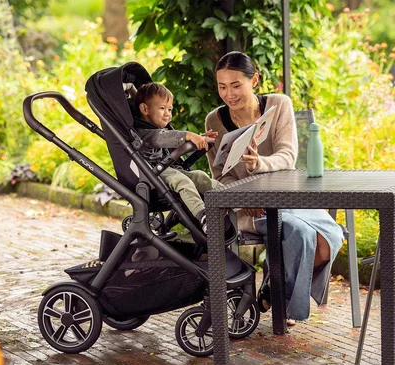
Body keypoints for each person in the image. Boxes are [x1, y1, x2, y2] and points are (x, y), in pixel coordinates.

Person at [205, 51, 345, 323]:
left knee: (330, 239)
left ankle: (272, 287)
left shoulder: (279, 105)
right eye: (222, 87)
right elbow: (221, 176)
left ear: (254, 80)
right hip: (252, 209)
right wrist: (246, 198)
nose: (229, 94)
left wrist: (260, 163)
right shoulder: (215, 120)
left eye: (236, 85)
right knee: (301, 233)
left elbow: (287, 156)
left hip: (289, 197)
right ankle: (284, 304)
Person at [134, 82, 223, 233]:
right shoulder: (145, 133)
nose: (167, 114)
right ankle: (203, 216)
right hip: (152, 176)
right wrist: (189, 135)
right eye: (162, 108)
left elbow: (173, 143)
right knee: (182, 181)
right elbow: (165, 137)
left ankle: (230, 196)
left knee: (199, 176)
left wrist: (199, 139)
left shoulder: (157, 129)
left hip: (165, 170)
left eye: (170, 109)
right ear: (145, 109)